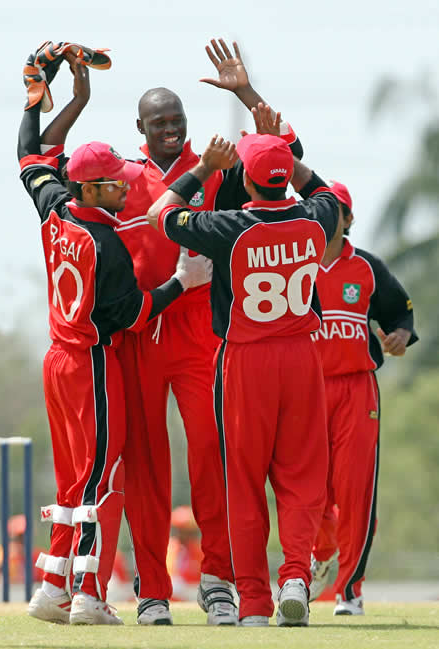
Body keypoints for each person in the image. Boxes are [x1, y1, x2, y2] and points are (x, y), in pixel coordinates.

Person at [18, 46, 212, 626]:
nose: (125, 189)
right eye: (111, 184)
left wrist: (50, 96)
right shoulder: (106, 246)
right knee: (102, 478)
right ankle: (85, 594)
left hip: (55, 359)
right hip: (91, 364)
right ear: (91, 189)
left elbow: (30, 154)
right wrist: (180, 283)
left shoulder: (55, 207)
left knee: (75, 477)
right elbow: (130, 315)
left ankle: (53, 584)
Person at [113, 39, 303, 626]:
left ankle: (218, 578)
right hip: (143, 333)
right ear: (140, 126)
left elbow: (282, 156)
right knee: (146, 464)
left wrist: (247, 95)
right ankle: (150, 588)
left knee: (213, 456)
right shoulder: (120, 175)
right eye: (159, 122)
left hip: (204, 335)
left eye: (178, 121)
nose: (170, 130)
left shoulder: (220, 164)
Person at [147, 122, 340, 626]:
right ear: (284, 178)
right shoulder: (317, 218)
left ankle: (253, 601)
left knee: (244, 482)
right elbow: (319, 188)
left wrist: (205, 169)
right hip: (302, 356)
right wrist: (280, 148)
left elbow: (159, 213)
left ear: (247, 182)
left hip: (246, 360)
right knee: (301, 479)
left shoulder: (228, 225)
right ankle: (295, 574)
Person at [308, 181, 418, 615]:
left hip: (356, 389)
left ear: (348, 219)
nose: (323, 216)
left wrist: (400, 336)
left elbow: (401, 313)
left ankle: (350, 590)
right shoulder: (294, 263)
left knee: (355, 490)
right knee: (306, 487)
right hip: (305, 390)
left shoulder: (368, 269)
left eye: (334, 210)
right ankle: (323, 550)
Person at [166, 506, 203, 602]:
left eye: (189, 531)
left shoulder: (199, 550)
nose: (185, 535)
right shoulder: (170, 548)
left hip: (194, 593)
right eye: (181, 530)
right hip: (174, 594)